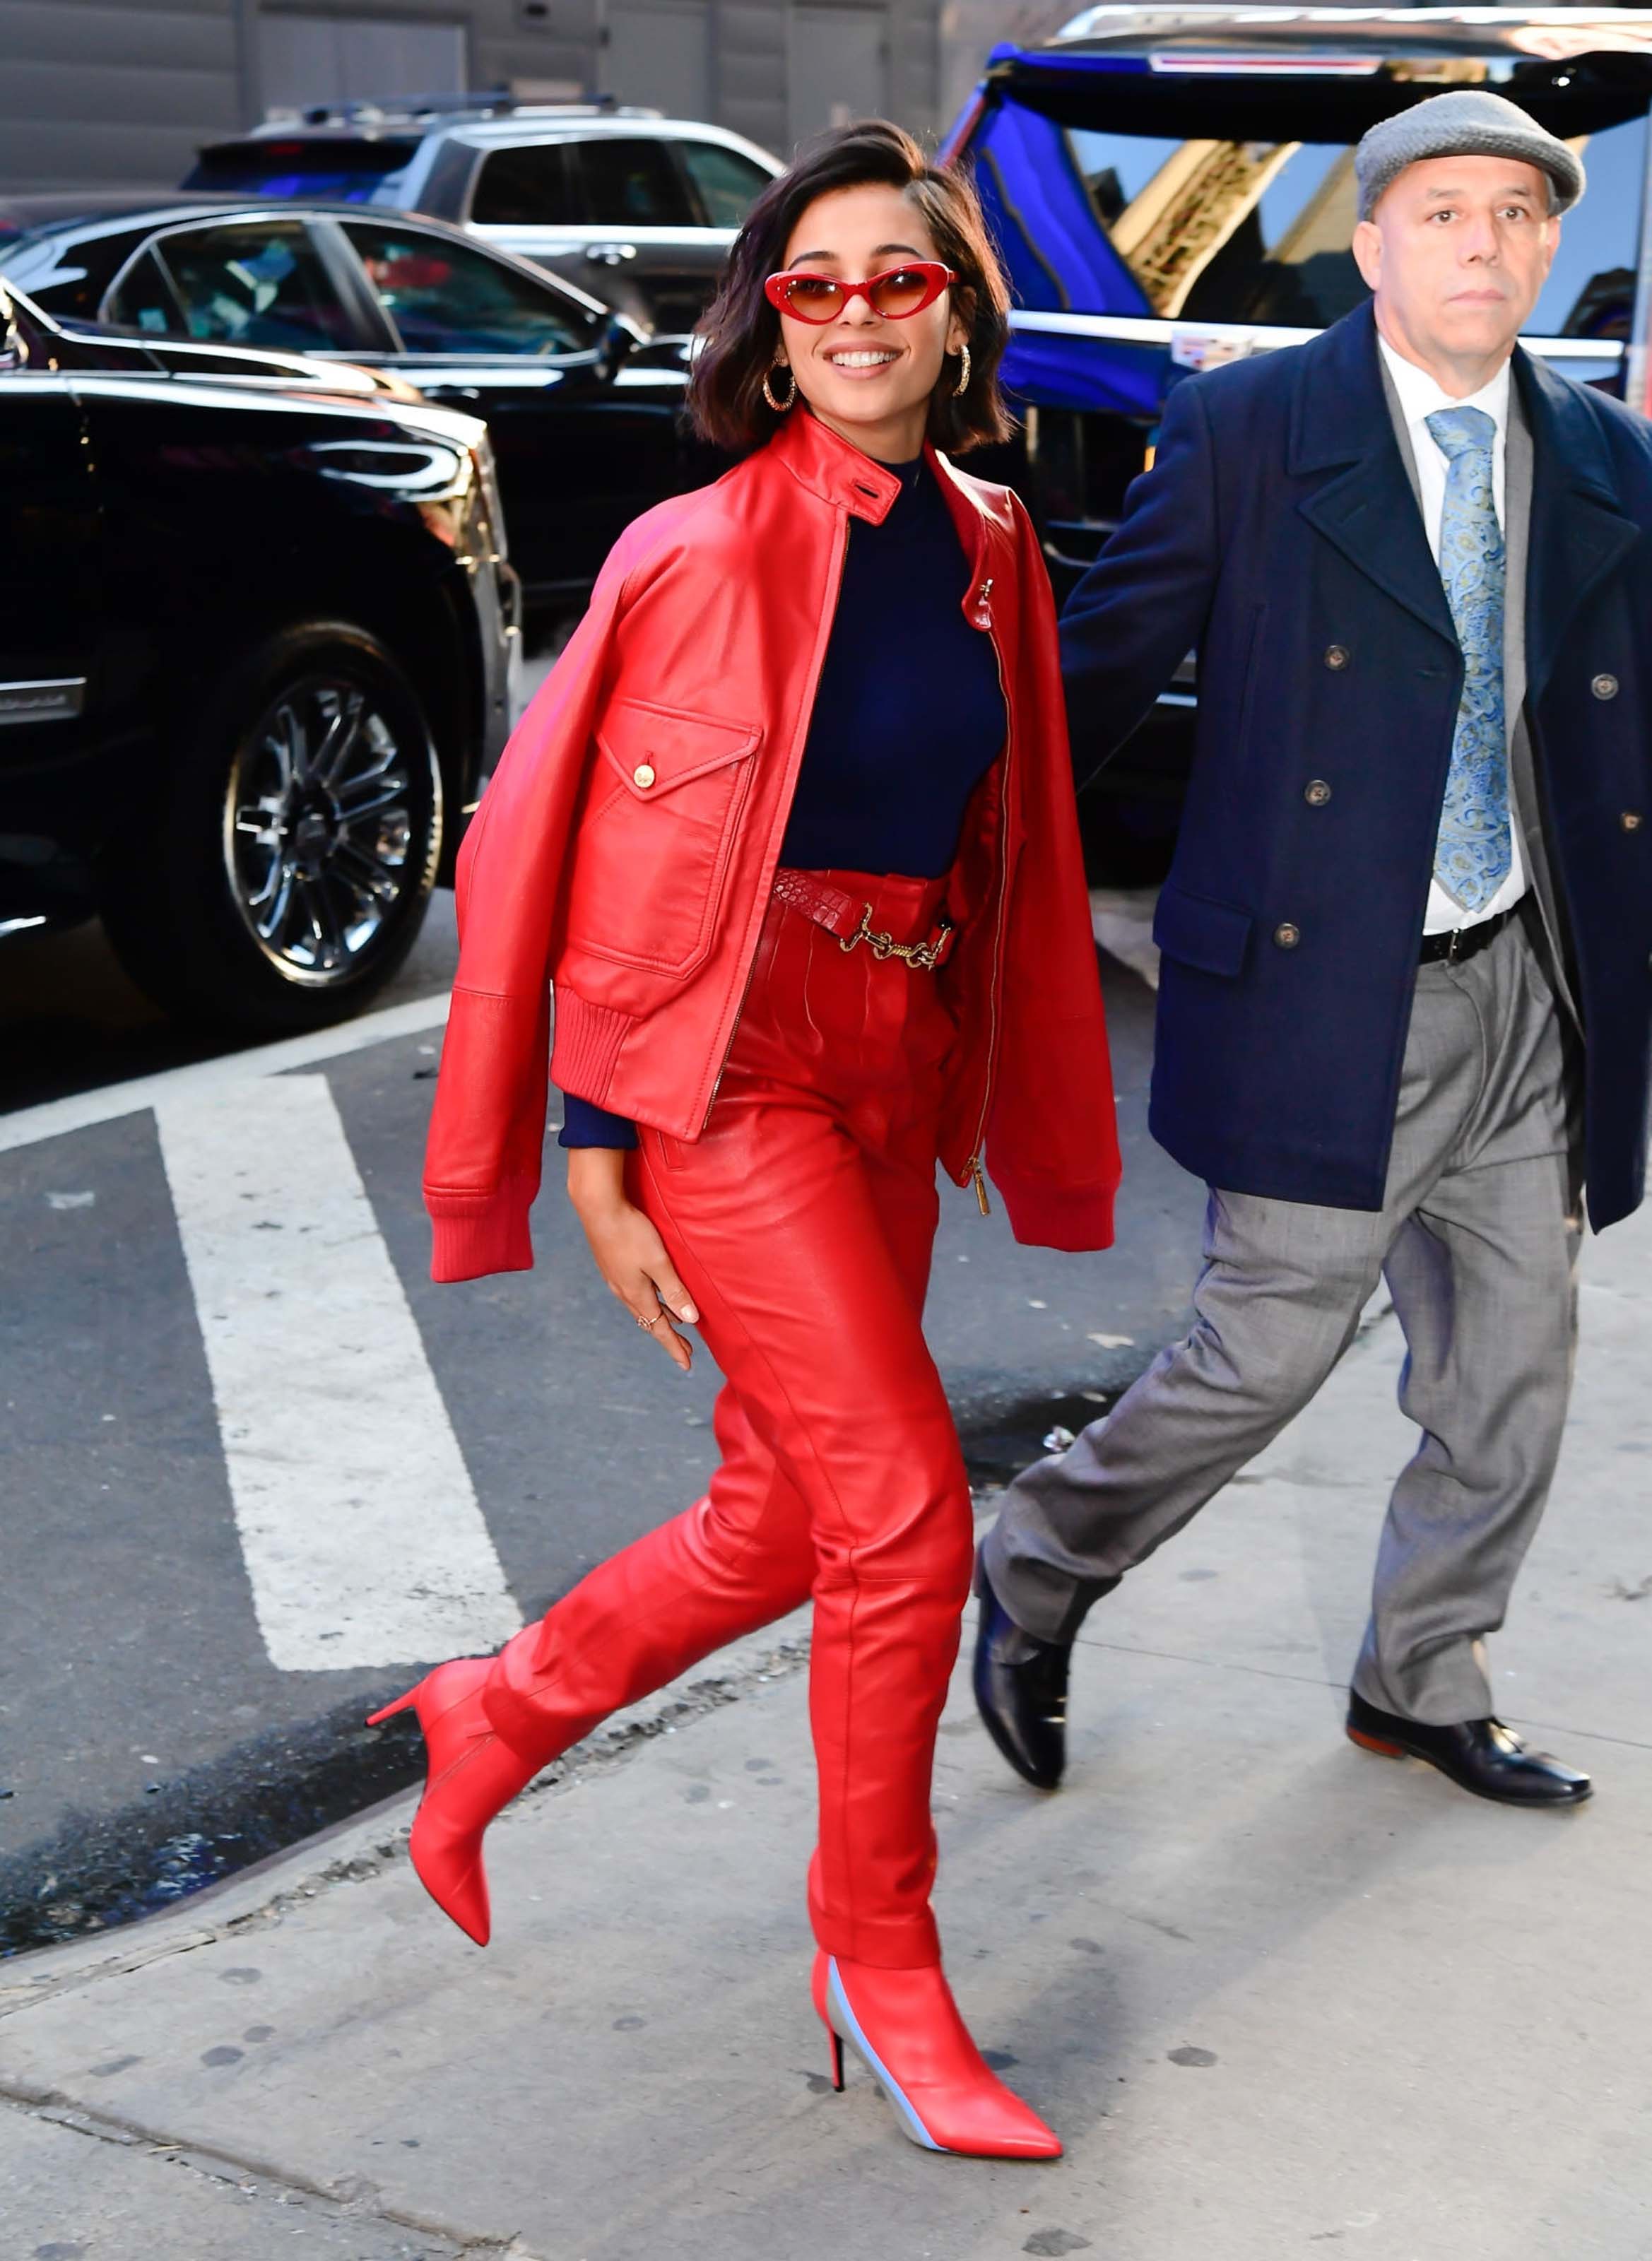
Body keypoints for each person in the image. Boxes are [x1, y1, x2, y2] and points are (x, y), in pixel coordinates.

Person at [373, 121, 1121, 2161]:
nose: (862, 310)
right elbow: (607, 850)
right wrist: (600, 1140)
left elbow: (1006, 830)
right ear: (770, 331)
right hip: (731, 1065)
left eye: (902, 276)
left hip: (888, 1045)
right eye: (819, 285)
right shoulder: (699, 548)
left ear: (954, 315)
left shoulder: (983, 550)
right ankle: (878, 1961)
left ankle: (499, 1706)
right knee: (902, 1515)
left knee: (790, 1513)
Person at [975, 89, 1652, 1810]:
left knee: (1509, 1377)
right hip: (1318, 985)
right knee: (1261, 1355)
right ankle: (1040, 1563)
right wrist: (932, 846)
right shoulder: (1252, 428)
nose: (1481, 244)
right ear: (1369, 246)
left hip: (1521, 982)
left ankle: (1419, 1676)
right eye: (1441, 213)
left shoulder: (1596, 455)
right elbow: (1092, 676)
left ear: (1547, 245)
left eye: (1512, 214)